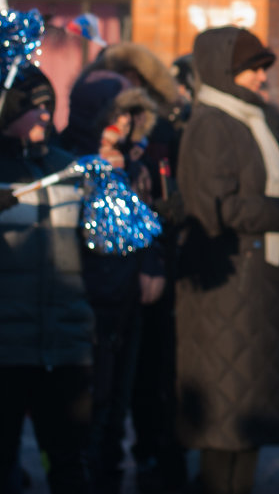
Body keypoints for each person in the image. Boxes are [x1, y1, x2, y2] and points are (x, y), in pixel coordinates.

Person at [174, 26, 279, 494]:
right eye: (251, 68)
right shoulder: (213, 122)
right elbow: (217, 208)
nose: (259, 77)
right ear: (223, 70)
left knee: (247, 421)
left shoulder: (251, 119)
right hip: (228, 287)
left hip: (254, 290)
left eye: (262, 68)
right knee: (224, 425)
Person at [58, 69, 167, 494]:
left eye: (130, 116)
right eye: (116, 114)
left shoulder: (134, 166)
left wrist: (152, 262)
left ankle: (109, 479)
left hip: (127, 302)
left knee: (118, 406)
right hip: (87, 302)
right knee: (90, 410)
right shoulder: (71, 163)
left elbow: (146, 226)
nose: (123, 125)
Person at [0, 67, 94, 494]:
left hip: (64, 344)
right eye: (31, 106)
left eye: (47, 105)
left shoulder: (68, 169)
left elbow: (97, 251)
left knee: (69, 461)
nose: (43, 116)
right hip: (7, 349)